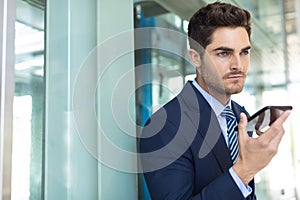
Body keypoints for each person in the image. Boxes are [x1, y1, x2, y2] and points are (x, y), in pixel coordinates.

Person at [139, 1, 291, 200]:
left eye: (244, 52)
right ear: (196, 58)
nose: (238, 65)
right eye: (223, 53)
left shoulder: (239, 114)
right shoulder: (163, 126)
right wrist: (245, 169)